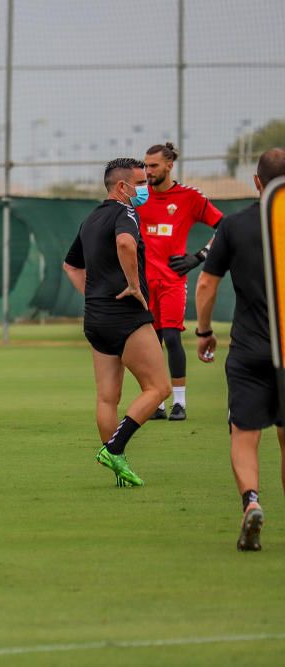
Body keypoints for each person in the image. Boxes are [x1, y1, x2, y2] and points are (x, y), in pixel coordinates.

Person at [195, 147, 285, 551]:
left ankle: (250, 502)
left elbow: (206, 285)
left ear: (257, 183)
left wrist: (203, 331)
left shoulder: (234, 226)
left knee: (244, 434)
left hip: (249, 349)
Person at [63, 157, 171, 487]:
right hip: (126, 315)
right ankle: (115, 448)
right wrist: (134, 285)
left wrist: (93, 295)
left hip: (96, 317)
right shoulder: (126, 212)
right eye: (140, 183)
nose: (146, 188)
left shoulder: (90, 219)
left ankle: (118, 472)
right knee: (159, 388)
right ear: (122, 187)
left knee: (107, 397)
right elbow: (125, 243)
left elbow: (70, 266)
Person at [139, 143, 223, 421]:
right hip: (143, 283)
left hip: (173, 282)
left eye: (153, 166)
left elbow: (224, 229)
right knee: (151, 343)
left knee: (172, 338)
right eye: (146, 166)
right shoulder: (139, 196)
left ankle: (179, 403)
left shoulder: (189, 197)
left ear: (169, 165)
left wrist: (199, 257)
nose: (148, 171)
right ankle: (157, 403)